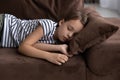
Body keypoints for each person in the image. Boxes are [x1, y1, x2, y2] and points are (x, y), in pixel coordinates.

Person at [0, 11, 87, 65]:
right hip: (4, 25)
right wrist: (49, 56)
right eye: (69, 29)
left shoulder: (56, 42)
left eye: (74, 35)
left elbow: (33, 46)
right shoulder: (47, 25)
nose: (70, 35)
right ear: (61, 22)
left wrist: (59, 47)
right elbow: (23, 47)